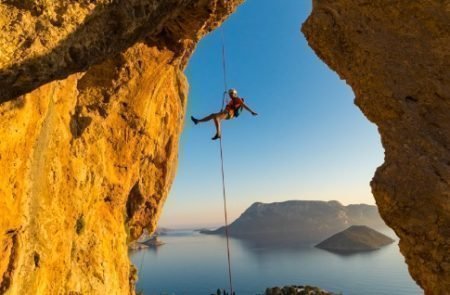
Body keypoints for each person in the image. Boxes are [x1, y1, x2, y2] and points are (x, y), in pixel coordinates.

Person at [191, 88, 258, 140]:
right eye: (230, 93)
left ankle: (219, 134)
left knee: (216, 118)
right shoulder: (231, 100)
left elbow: (244, 105)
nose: (230, 94)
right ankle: (198, 121)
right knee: (213, 115)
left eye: (231, 93)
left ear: (235, 94)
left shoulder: (237, 99)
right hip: (226, 112)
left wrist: (251, 112)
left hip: (230, 113)